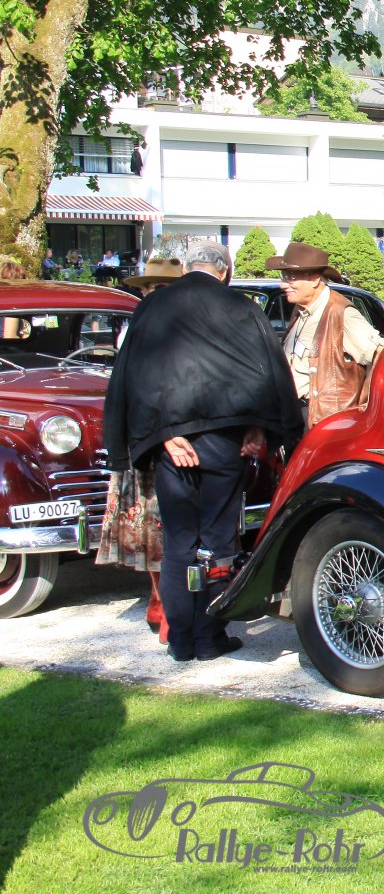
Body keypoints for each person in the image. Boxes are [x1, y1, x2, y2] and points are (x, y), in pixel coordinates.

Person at [103, 240, 302, 663]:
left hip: (172, 445)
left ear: (186, 269)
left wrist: (161, 436)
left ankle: (181, 639)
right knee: (218, 539)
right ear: (225, 271)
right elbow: (268, 371)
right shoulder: (241, 308)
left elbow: (133, 377)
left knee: (179, 541)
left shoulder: (152, 308)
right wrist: (261, 428)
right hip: (225, 441)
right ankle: (210, 636)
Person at [96, 255, 186, 642]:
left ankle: (172, 602)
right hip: (144, 439)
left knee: (175, 525)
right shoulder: (137, 326)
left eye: (160, 288)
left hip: (179, 438)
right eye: (147, 288)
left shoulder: (186, 326)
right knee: (150, 524)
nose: (151, 294)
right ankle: (158, 598)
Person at [268, 241, 384, 429]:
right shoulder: (301, 310)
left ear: (314, 280)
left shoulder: (341, 314)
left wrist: (364, 408)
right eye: (284, 277)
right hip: (299, 416)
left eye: (291, 278)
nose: (283, 285)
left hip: (327, 423)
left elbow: (381, 357)